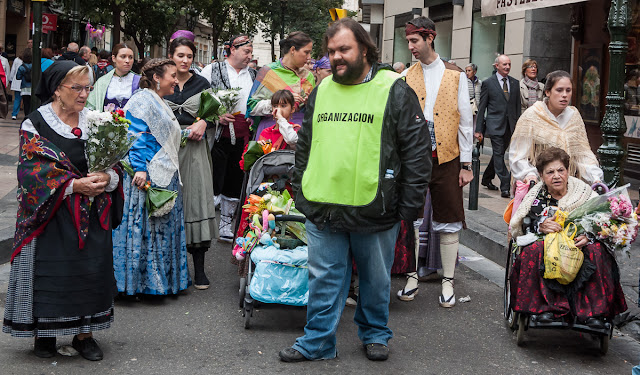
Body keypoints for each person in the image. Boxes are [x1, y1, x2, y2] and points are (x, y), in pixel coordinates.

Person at [279, 18, 430, 363]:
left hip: (375, 207)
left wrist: (409, 206)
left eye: (344, 49)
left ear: (364, 48)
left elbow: (417, 151)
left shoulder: (395, 88)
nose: (336, 57)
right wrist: (301, 188)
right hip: (323, 205)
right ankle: (317, 341)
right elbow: (305, 146)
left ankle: (375, 333)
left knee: (375, 280)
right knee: (323, 279)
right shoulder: (323, 90)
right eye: (331, 51)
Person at [2, 61, 124, 361]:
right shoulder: (36, 123)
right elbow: (32, 172)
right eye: (77, 88)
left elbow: (116, 163)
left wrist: (108, 178)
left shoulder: (98, 121)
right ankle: (45, 334)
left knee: (89, 272)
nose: (84, 94)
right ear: (57, 89)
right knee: (50, 274)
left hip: (91, 213)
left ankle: (85, 336)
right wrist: (73, 186)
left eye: (88, 88)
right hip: (49, 215)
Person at [398, 16, 474, 306]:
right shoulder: (406, 76)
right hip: (414, 158)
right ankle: (412, 276)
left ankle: (448, 282)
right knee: (412, 218)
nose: (411, 47)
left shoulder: (456, 76)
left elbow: (466, 122)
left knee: (450, 217)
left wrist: (467, 166)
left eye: (414, 40)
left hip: (448, 158)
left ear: (430, 38)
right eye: (408, 41)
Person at [509, 147, 626, 327]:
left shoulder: (583, 191)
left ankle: (594, 313)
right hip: (548, 243)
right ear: (541, 175)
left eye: (560, 170)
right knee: (534, 250)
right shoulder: (536, 196)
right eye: (550, 172)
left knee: (596, 250)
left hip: (579, 242)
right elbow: (524, 225)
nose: (556, 176)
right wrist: (540, 225)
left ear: (568, 171)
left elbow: (600, 221)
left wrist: (589, 236)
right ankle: (546, 309)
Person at [112, 58, 190, 296]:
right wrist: (139, 168)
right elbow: (136, 134)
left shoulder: (158, 100)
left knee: (157, 228)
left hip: (162, 172)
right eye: (172, 76)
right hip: (147, 173)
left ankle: (155, 282)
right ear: (157, 78)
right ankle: (141, 284)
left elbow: (160, 135)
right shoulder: (143, 100)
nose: (176, 81)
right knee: (147, 228)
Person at [164, 37, 218, 290]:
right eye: (180, 55)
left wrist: (204, 122)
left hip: (195, 149)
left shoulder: (202, 83)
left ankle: (199, 270)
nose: (185, 60)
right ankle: (168, 268)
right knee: (166, 201)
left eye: (189, 56)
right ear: (171, 56)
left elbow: (214, 112)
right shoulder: (162, 80)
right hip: (165, 148)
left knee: (196, 200)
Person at [199, 34, 257, 241]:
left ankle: (225, 224)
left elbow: (255, 103)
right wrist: (216, 116)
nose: (250, 55)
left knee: (235, 177)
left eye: (251, 52)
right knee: (212, 176)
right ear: (232, 49)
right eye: (246, 51)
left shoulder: (253, 74)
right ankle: (204, 222)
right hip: (216, 133)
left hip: (242, 134)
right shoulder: (211, 70)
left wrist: (253, 118)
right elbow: (200, 99)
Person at [509, 70, 603, 185]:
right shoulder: (532, 116)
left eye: (568, 90)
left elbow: (583, 154)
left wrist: (595, 177)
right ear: (548, 92)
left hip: (568, 186)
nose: (564, 95)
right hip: (539, 185)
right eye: (559, 90)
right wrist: (529, 175)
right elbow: (518, 155)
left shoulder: (574, 117)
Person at [248, 31, 315, 140]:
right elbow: (251, 107)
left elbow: (313, 113)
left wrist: (309, 103)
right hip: (271, 131)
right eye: (306, 52)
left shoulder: (309, 77)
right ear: (293, 50)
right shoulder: (268, 72)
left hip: (298, 133)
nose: (309, 58)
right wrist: (282, 102)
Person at [475, 54, 521, 198]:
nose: (507, 67)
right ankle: (505, 185)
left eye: (509, 64)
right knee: (499, 154)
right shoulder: (488, 83)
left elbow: (517, 107)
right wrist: (478, 130)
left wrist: (518, 127)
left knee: (497, 154)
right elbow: (482, 107)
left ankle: (486, 178)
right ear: (497, 66)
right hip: (494, 125)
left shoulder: (514, 83)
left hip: (510, 126)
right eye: (504, 64)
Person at [86, 43, 139, 111]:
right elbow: (91, 106)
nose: (127, 61)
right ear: (114, 58)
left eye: (130, 57)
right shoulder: (102, 82)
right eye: (123, 56)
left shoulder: (139, 81)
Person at [16, 48, 33, 117]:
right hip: (33, 87)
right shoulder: (35, 66)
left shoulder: (22, 67)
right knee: (32, 104)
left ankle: (27, 116)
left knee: (26, 104)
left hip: (24, 87)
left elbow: (18, 77)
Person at [9, 50, 23, 120]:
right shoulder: (30, 61)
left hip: (17, 82)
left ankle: (14, 114)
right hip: (26, 83)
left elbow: (13, 70)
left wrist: (11, 79)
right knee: (26, 100)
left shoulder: (17, 60)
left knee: (17, 99)